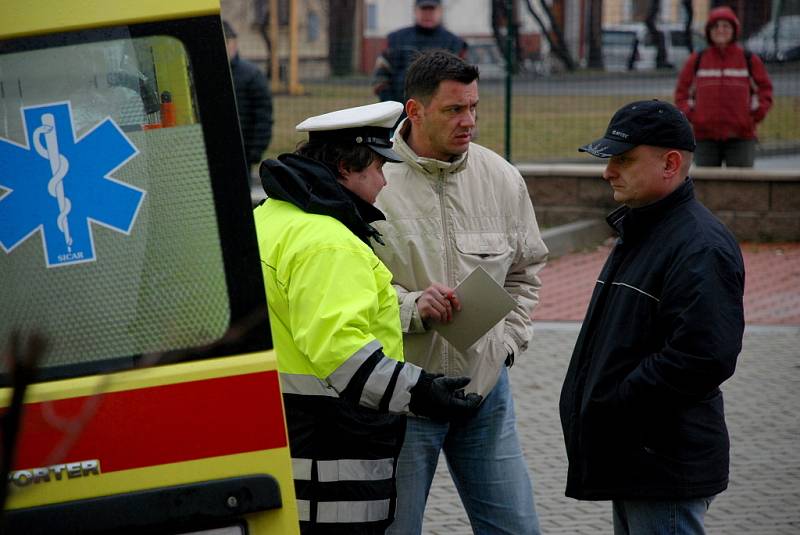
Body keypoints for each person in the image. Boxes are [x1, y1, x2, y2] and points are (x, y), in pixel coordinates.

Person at [253, 100, 482, 534]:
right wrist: (423, 391)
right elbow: (343, 355)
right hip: (332, 449)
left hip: (290, 432)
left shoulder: (274, 217)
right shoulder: (329, 242)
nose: (384, 182)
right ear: (344, 168)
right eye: (378, 168)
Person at [372, 50, 548, 535]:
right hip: (402, 397)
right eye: (454, 110)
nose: (468, 121)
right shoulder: (371, 182)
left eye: (473, 107)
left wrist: (506, 346)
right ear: (415, 111)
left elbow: (525, 271)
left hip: (485, 392)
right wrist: (411, 308)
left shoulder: (501, 178)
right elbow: (346, 291)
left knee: (518, 529)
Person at [560, 99, 745, 535]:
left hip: (661, 464)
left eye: (623, 160)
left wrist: (619, 402)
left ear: (671, 163)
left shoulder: (699, 246)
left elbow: (702, 357)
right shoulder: (642, 229)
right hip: (636, 457)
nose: (608, 172)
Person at [674, 6, 773, 167]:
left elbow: (765, 89)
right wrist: (694, 116)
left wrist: (756, 114)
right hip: (705, 137)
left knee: (742, 187)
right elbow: (681, 92)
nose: (721, 30)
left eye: (726, 26)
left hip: (741, 135)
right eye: (716, 26)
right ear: (709, 31)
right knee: (708, 188)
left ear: (734, 30)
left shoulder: (748, 59)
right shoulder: (697, 60)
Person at [372, 0, 467, 105]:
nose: (427, 14)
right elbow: (380, 76)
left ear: (440, 11)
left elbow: (464, 80)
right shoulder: (395, 39)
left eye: (431, 10)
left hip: (441, 111)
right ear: (415, 11)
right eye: (423, 10)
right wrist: (391, 104)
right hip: (399, 111)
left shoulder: (454, 43)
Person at [223, 19, 274, 176]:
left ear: (235, 43)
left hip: (243, 150)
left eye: (227, 41)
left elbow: (263, 116)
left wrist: (256, 150)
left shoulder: (252, 75)